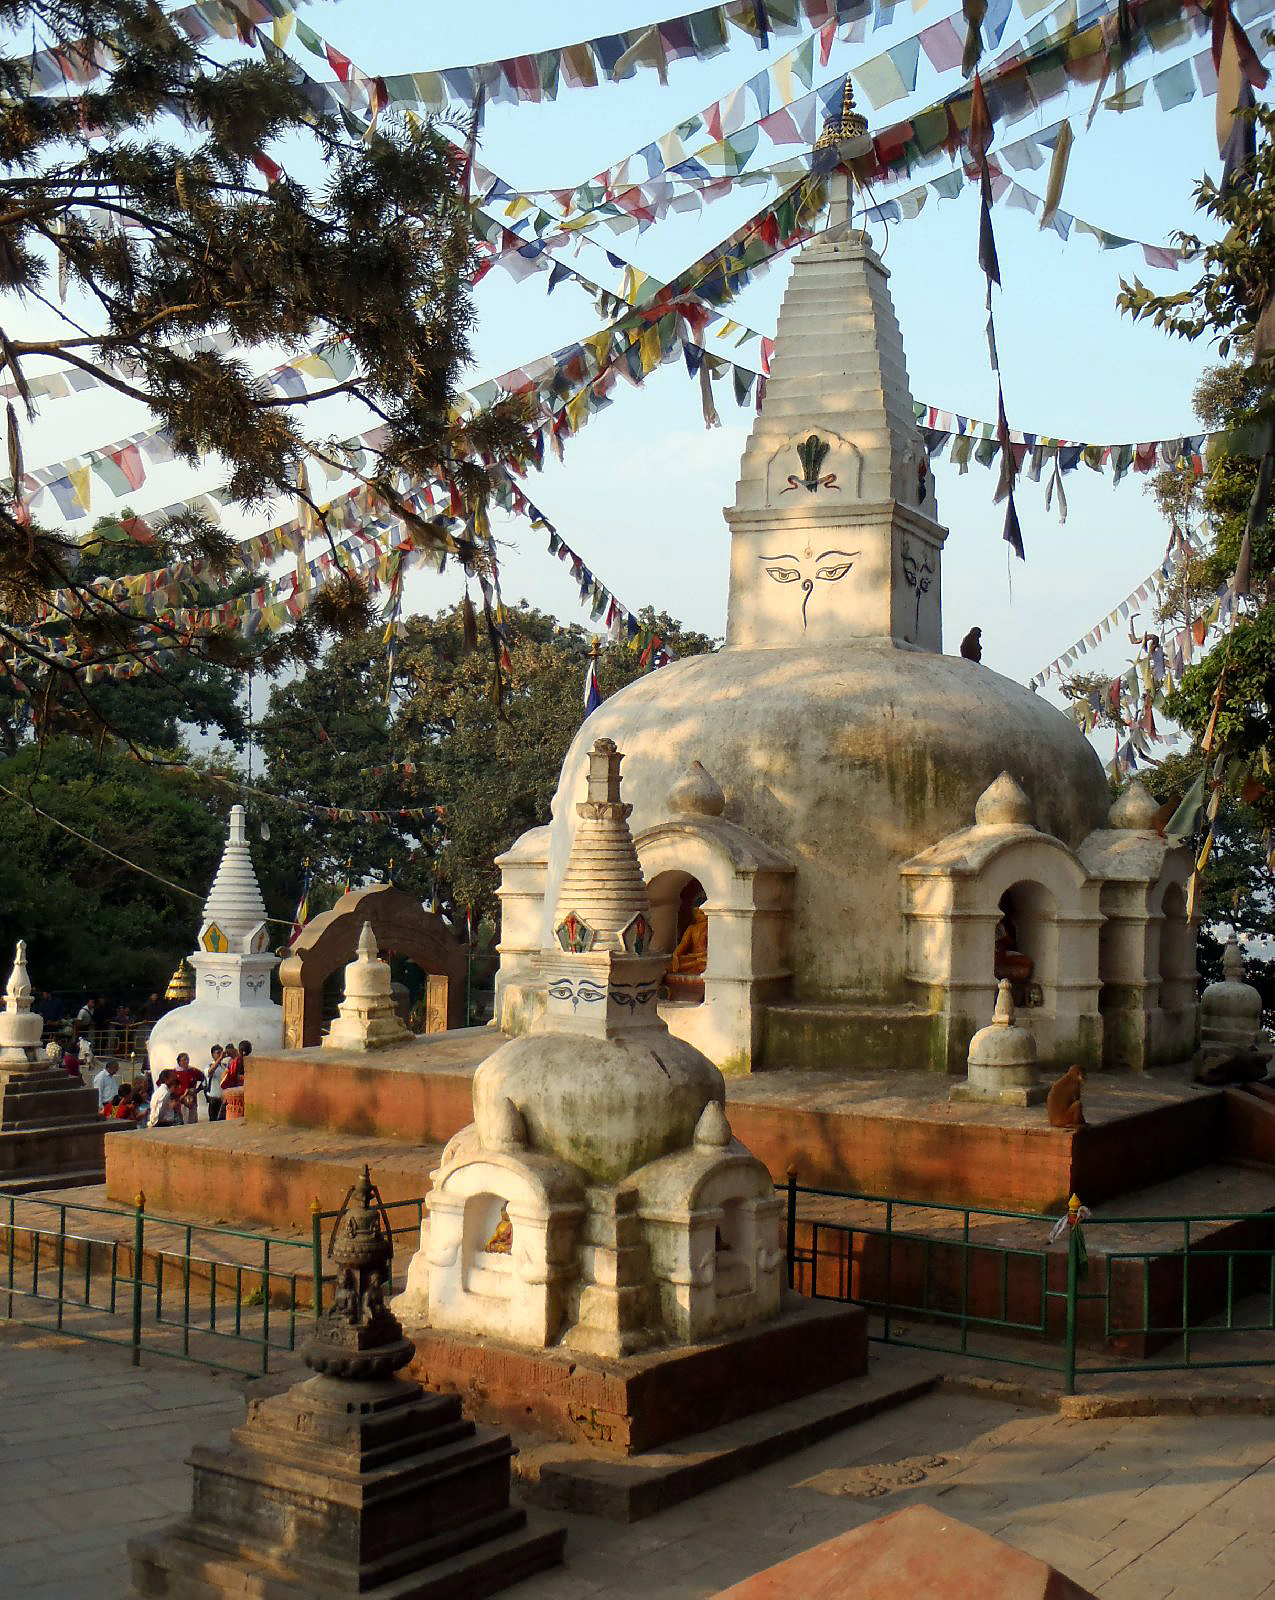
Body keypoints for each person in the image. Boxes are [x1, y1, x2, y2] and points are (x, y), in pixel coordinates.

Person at [172, 1052, 205, 1125]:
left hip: (192, 1100)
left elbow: (205, 1079)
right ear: (179, 1062)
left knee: (193, 1121)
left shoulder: (193, 1071)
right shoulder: (174, 1073)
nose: (186, 1061)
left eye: (187, 1059)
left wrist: (197, 1090)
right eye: (183, 1060)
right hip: (181, 1101)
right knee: (184, 1121)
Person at [204, 1044, 227, 1121]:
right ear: (212, 1055)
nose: (220, 1054)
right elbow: (210, 1072)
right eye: (218, 1053)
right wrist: (220, 1059)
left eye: (221, 1052)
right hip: (214, 1100)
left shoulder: (224, 1066)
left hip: (223, 1100)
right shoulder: (209, 1066)